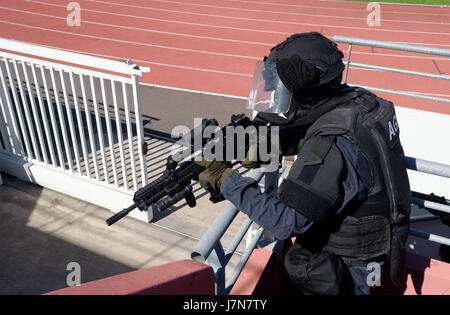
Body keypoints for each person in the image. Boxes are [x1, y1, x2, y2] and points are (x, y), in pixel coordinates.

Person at [196, 32, 412, 295]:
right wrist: (266, 147)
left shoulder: (332, 141)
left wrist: (225, 179)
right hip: (378, 246)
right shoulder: (363, 103)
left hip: (351, 267)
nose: (276, 91)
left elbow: (286, 222)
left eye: (284, 86)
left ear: (307, 89)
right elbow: (314, 125)